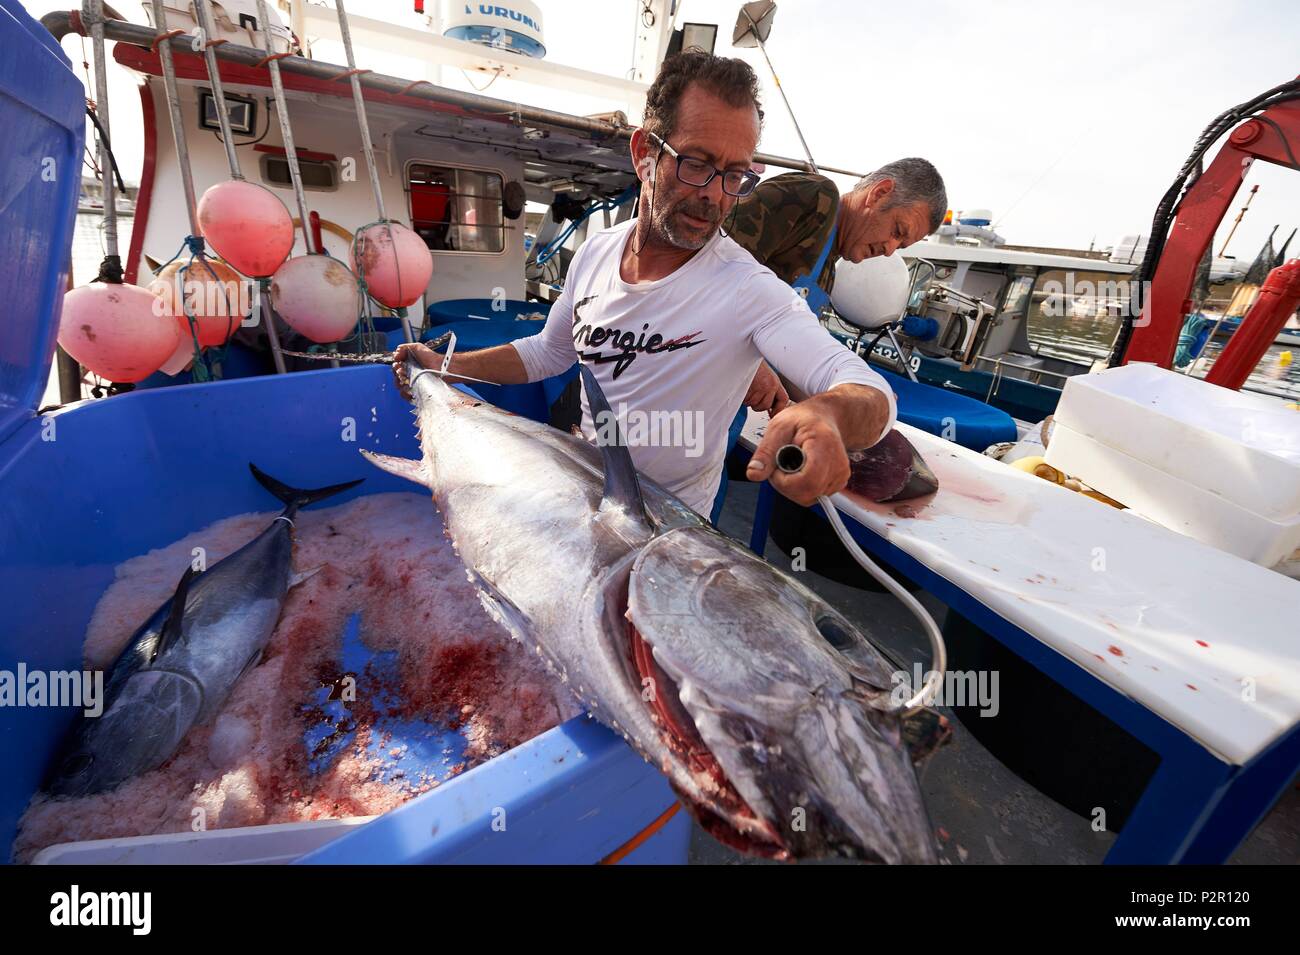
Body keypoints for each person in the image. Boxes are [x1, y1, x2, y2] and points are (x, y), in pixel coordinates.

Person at [394, 50, 896, 520]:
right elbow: (548, 354)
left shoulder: (747, 288)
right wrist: (448, 367)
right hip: (583, 498)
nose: (714, 196)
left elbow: (870, 390)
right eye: (697, 163)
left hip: (668, 536)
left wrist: (830, 414)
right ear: (643, 154)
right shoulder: (594, 254)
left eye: (735, 175)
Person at [729, 158, 948, 406]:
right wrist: (754, 369)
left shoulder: (827, 273)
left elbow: (793, 352)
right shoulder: (815, 197)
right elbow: (705, 265)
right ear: (879, 193)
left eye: (901, 245)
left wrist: (844, 395)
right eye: (897, 231)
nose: (890, 250)